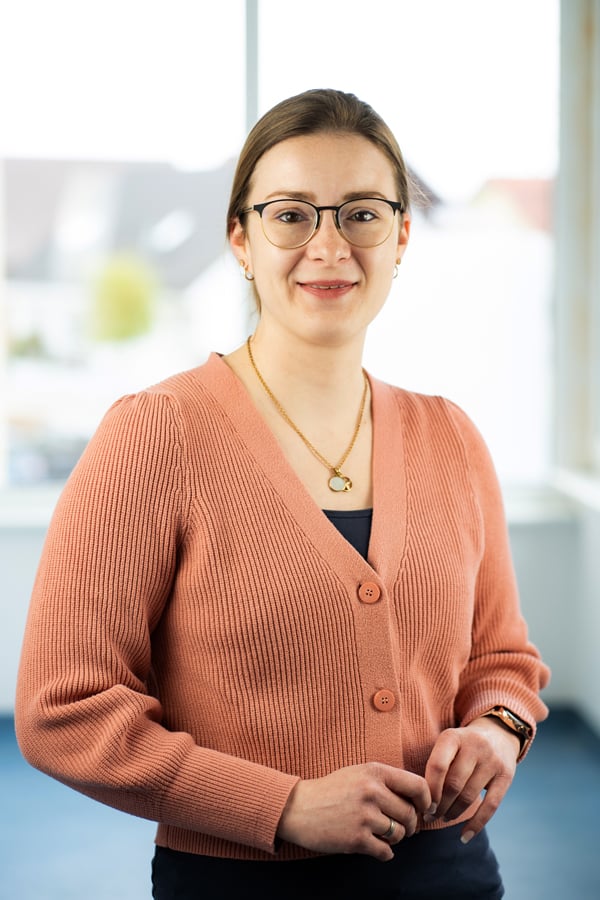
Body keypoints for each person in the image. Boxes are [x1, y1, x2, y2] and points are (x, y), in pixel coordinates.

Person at [15, 88, 550, 899]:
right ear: (241, 239)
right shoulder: (154, 435)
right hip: (239, 882)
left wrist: (499, 727)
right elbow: (64, 709)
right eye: (291, 215)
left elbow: (501, 657)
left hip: (449, 874)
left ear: (402, 236)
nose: (329, 245)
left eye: (362, 214)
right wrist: (286, 806)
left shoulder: (451, 437)